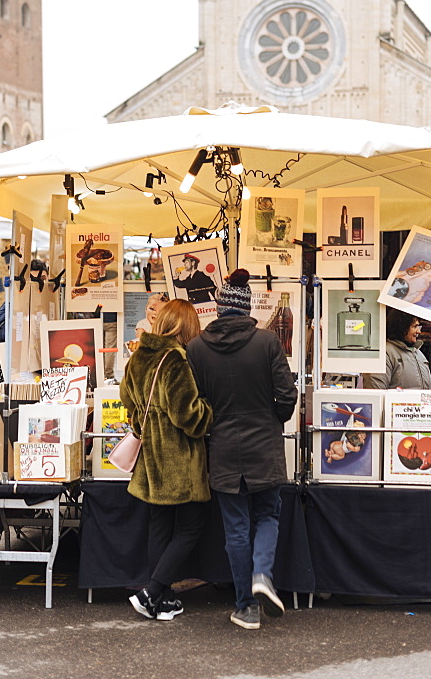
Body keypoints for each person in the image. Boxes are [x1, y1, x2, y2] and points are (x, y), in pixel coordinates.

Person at [186, 269, 297, 630]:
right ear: (247, 307)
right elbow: (288, 395)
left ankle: (245, 607)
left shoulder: (196, 349)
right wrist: (272, 417)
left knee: (235, 527)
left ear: (218, 309)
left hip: (221, 449)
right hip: (264, 444)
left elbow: (197, 403)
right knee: (268, 515)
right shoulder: (267, 342)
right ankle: (262, 574)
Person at [119, 298, 213, 621]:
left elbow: (127, 400)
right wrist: (210, 413)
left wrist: (141, 422)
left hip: (151, 461)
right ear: (186, 327)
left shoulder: (139, 357)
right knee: (190, 526)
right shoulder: (176, 360)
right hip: (179, 462)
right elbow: (188, 415)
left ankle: (165, 600)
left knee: (160, 527)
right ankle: (151, 591)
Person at [363, 308, 431, 390]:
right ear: (402, 327)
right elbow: (375, 389)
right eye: (415, 326)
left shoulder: (418, 353)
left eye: (419, 327)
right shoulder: (384, 353)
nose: (419, 331)